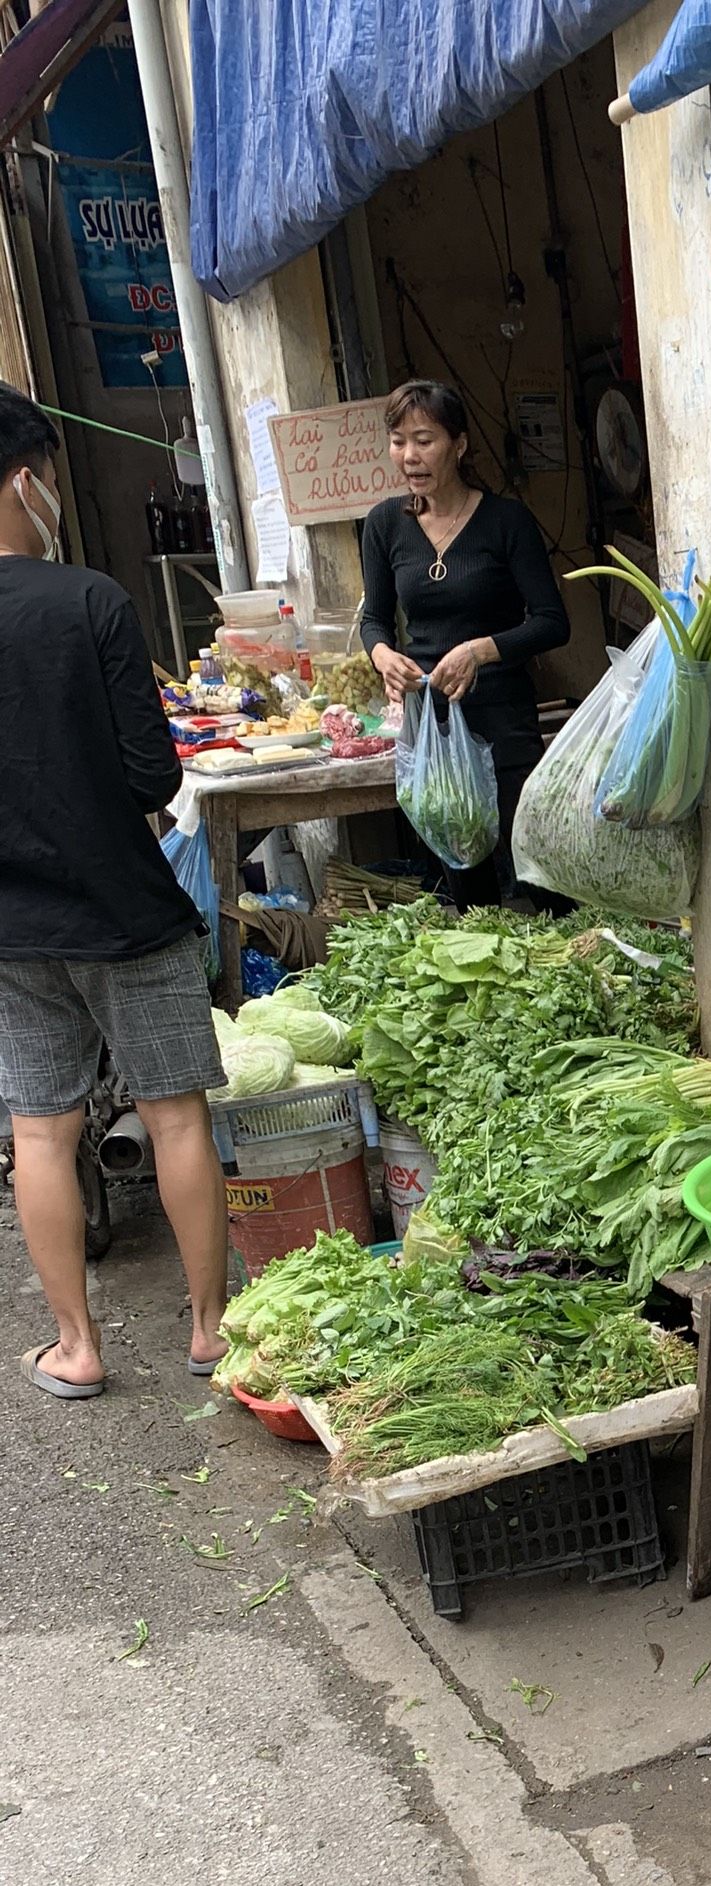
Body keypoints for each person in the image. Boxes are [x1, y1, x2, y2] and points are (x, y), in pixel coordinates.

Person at [0, 383, 228, 1398]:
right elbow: (154, 777)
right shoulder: (88, 599)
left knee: (40, 1130)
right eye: (48, 474)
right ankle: (213, 1331)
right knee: (175, 1115)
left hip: (13, 931)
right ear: (25, 480)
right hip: (128, 917)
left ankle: (78, 1347)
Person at [360, 380, 570, 908]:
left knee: (536, 874)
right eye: (398, 441)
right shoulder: (385, 524)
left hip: (504, 720)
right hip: (432, 723)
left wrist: (481, 650)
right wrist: (383, 656)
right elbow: (376, 620)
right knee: (464, 881)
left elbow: (551, 622)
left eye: (425, 440)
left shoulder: (506, 522)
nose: (409, 456)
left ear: (460, 444)